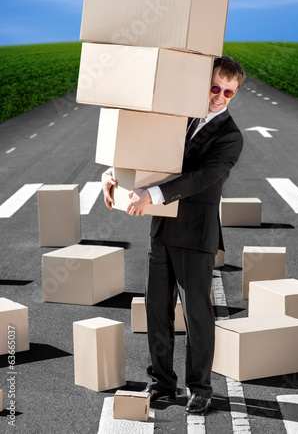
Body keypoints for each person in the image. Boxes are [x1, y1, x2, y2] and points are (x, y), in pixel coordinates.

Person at [102, 56, 246, 415]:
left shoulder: (231, 137)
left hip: (195, 234)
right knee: (156, 308)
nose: (219, 96)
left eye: (228, 92)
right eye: (215, 87)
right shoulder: (179, 119)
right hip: (161, 228)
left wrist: (152, 195)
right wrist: (114, 174)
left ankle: (201, 387)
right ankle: (162, 382)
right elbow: (148, 153)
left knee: (197, 314)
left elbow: (200, 178)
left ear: (235, 93)